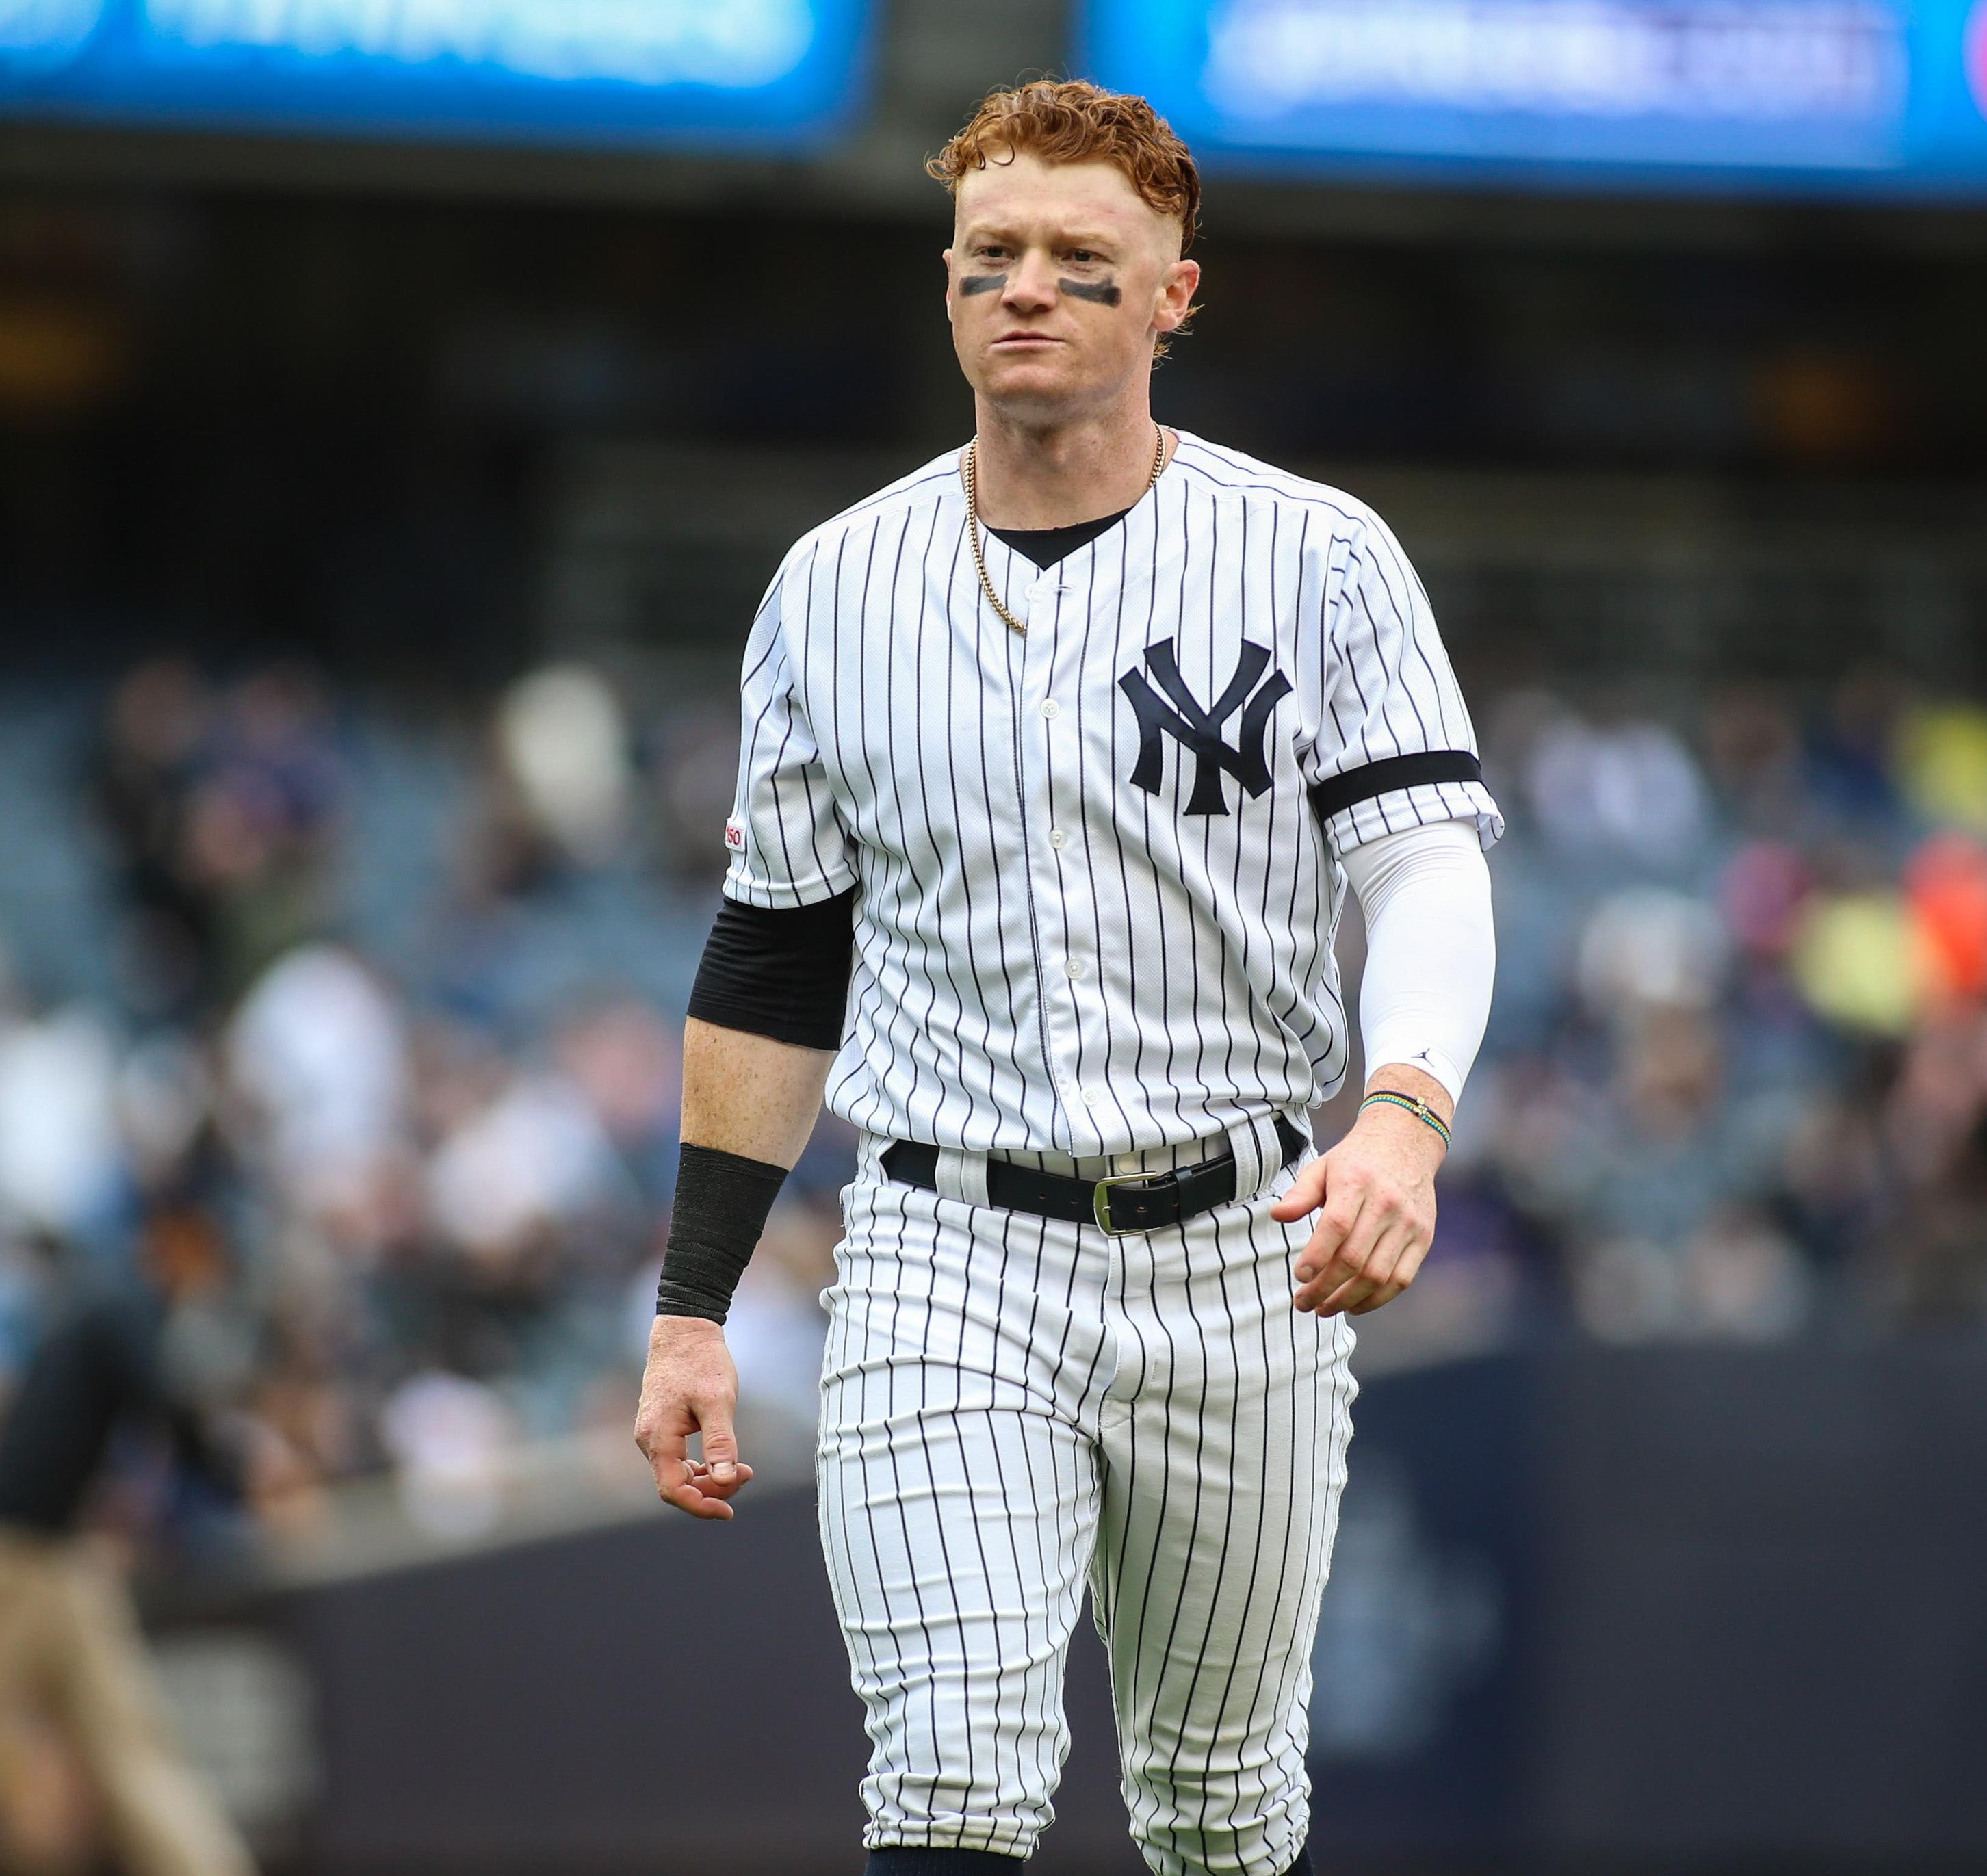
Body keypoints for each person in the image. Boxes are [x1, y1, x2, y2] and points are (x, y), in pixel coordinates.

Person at [632, 79, 1501, 1876]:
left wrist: (1404, 1120)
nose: (1030, 287)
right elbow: (781, 951)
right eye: (993, 254)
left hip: (1242, 1241)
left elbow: (1421, 863)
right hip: (951, 1238)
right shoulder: (832, 584)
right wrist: (696, 1299)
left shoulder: (1317, 552)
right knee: (949, 1769)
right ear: (948, 285)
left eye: (1082, 259)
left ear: (1176, 294)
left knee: (1216, 1800)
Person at [0, 1207, 257, 1876]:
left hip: (54, 1559)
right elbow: (166, 1405)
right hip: (3, 1560)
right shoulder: (120, 1305)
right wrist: (238, 1476)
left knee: (132, 1744)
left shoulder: (104, 1307)